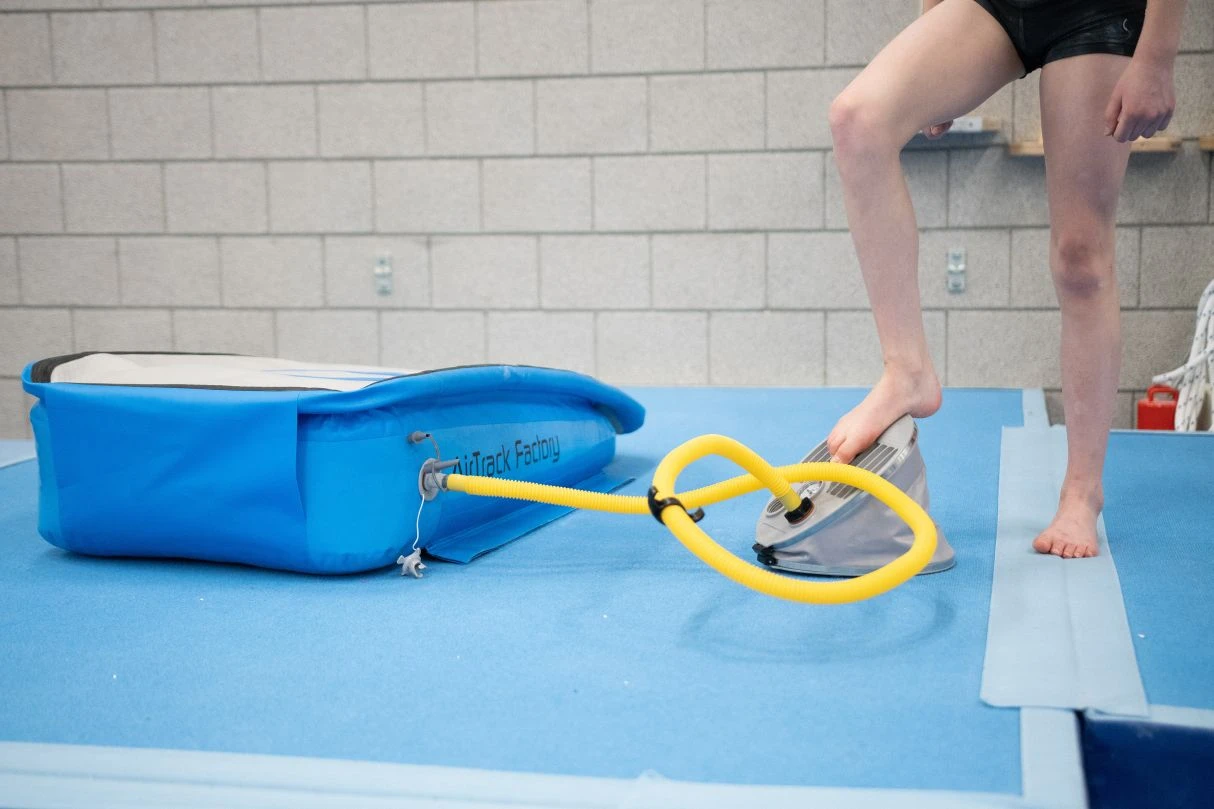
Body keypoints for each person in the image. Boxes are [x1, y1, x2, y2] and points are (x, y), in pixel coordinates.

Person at [824, 0, 1185, 558]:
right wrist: (932, 26)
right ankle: (907, 371)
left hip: (1097, 10)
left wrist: (1156, 57)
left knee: (1081, 257)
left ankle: (1082, 492)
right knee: (857, 118)